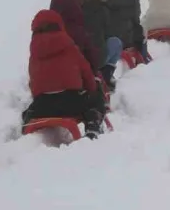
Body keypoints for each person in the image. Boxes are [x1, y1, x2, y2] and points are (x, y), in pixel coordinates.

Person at [22, 9, 107, 139]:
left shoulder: (34, 53)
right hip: (72, 103)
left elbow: (33, 83)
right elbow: (87, 74)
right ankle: (93, 125)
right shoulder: (69, 46)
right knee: (96, 96)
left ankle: (26, 131)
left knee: (27, 112)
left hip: (42, 106)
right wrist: (92, 90)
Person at [74, 0, 119, 91]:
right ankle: (107, 75)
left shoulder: (75, 13)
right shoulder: (103, 11)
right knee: (115, 42)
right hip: (98, 58)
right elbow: (109, 33)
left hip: (79, 59)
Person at [104, 0, 151, 65]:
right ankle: (143, 60)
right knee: (142, 31)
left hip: (108, 37)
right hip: (125, 39)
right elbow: (136, 20)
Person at [49, 0, 101, 75]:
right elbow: (93, 61)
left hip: (45, 82)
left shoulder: (44, 32)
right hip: (73, 81)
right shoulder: (79, 32)